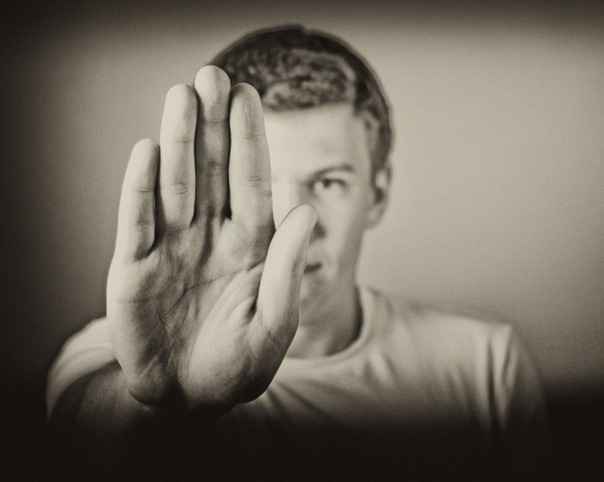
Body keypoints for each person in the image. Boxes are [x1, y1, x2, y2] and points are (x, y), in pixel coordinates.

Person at [47, 25, 549, 480]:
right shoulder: (124, 354)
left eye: (328, 182)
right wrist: (162, 404)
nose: (291, 227)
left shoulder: (487, 366)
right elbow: (82, 445)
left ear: (377, 195)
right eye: (260, 186)